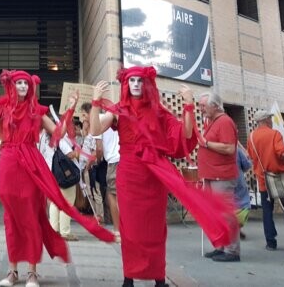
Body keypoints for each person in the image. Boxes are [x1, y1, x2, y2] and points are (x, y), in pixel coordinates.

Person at [0, 70, 114, 287]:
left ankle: (32, 272)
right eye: (18, 82)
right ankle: (12, 271)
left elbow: (57, 134)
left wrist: (69, 108)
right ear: (12, 85)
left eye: (26, 83)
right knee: (11, 219)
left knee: (30, 216)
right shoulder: (2, 110)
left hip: (31, 162)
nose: (22, 86)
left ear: (31, 87)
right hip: (10, 164)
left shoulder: (37, 112)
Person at [90, 67, 236, 287]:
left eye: (140, 80)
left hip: (153, 174)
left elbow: (185, 135)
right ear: (126, 84)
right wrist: (95, 102)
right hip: (129, 174)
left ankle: (159, 278)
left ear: (147, 83)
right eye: (132, 80)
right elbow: (94, 129)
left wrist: (188, 105)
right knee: (129, 227)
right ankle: (128, 278)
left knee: (156, 227)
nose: (136, 84)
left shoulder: (158, 110)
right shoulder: (118, 110)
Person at [247, 110, 284, 253]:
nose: (271, 121)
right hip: (280, 177)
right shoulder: (274, 134)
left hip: (263, 180)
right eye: (270, 118)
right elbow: (282, 152)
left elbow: (251, 156)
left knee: (267, 212)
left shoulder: (251, 136)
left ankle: (271, 243)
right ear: (266, 120)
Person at [197, 92, 241, 262]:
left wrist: (206, 143)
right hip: (212, 175)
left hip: (221, 176)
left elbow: (229, 148)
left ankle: (232, 250)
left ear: (215, 105)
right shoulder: (213, 122)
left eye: (203, 105)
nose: (201, 109)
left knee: (226, 214)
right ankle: (221, 246)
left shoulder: (224, 122)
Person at [234, 143, 251, 240]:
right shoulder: (236, 149)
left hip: (222, 181)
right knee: (243, 205)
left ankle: (233, 228)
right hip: (238, 181)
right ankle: (237, 227)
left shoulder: (214, 149)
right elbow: (246, 165)